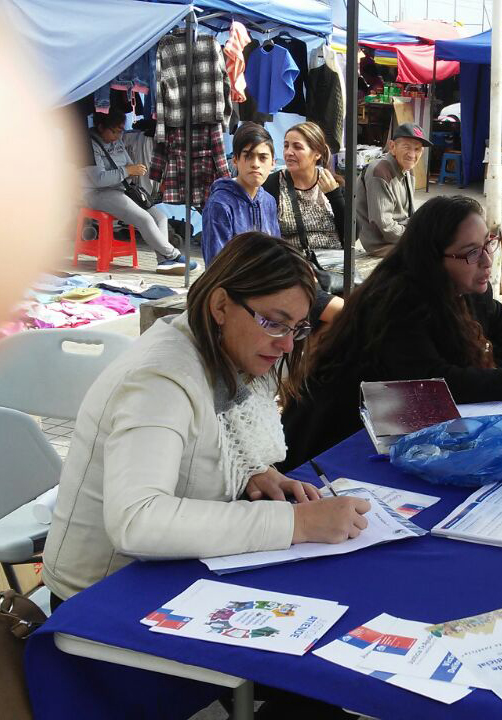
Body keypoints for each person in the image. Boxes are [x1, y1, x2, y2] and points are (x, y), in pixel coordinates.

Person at [42, 232, 373, 605]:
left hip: (161, 578)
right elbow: (137, 521)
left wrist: (251, 471)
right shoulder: (160, 380)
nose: (286, 345)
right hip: (99, 600)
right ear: (220, 306)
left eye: (297, 328)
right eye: (274, 323)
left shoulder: (221, 351)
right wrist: (298, 524)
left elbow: (206, 437)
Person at [281, 195, 502, 469]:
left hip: (393, 429)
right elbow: (435, 383)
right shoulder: (397, 301)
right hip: (334, 440)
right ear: (433, 258)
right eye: (471, 252)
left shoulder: (466, 285)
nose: (486, 261)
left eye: (487, 244)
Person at [85, 109, 196, 275]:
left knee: (160, 217)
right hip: (98, 193)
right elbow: (99, 179)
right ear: (101, 127)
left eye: (120, 131)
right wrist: (128, 171)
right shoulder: (88, 145)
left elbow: (129, 165)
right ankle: (172, 254)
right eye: (114, 131)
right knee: (144, 218)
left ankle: (164, 261)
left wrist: (133, 171)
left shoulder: (117, 142)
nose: (117, 136)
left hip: (121, 188)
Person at [262, 121, 346, 327]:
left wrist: (335, 196)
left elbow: (352, 235)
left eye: (297, 147)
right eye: (286, 145)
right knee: (338, 316)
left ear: (316, 153)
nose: (289, 152)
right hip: (296, 269)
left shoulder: (331, 183)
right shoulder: (273, 184)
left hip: (336, 267)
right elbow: (266, 237)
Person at [202, 122, 280, 265]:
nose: (255, 164)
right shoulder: (220, 204)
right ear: (236, 160)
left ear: (273, 163)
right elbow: (216, 266)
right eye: (248, 156)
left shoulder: (269, 201)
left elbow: (276, 254)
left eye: (263, 158)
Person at [355, 122, 431, 257]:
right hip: (382, 243)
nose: (412, 154)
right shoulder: (380, 171)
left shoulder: (408, 170)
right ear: (392, 147)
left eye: (417, 149)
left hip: (400, 236)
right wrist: (415, 238)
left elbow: (409, 214)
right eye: (406, 147)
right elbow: (384, 225)